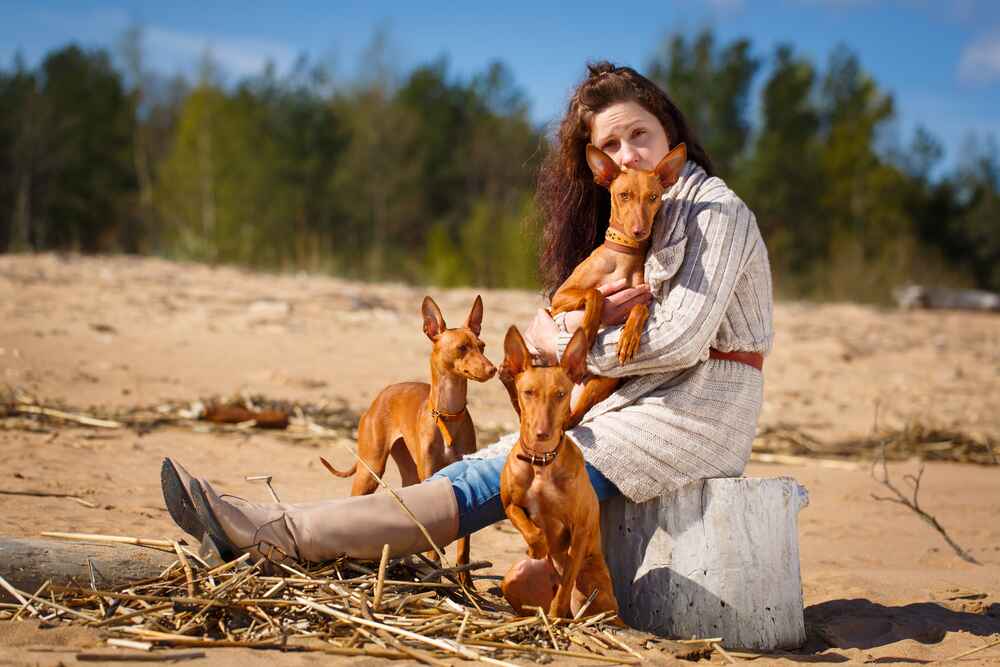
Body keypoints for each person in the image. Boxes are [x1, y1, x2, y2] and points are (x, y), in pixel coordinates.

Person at [161, 61, 773, 579]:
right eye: (609, 146)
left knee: (491, 476)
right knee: (497, 463)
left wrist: (554, 339)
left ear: (670, 129)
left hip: (693, 416)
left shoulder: (716, 212)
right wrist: (562, 338)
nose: (626, 155)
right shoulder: (648, 214)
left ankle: (280, 534)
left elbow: (681, 338)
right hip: (630, 405)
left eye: (637, 134)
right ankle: (283, 528)